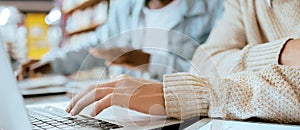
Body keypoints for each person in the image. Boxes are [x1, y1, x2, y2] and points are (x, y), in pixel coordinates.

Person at [66, 0, 300, 125]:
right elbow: (206, 61)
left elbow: (194, 68)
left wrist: (179, 91)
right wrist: (282, 54)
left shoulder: (208, 6)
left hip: (189, 106)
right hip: (141, 108)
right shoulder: (126, 7)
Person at [17, 0, 224, 81]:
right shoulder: (125, 6)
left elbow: (217, 69)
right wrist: (51, 62)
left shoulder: (214, 8)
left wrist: (146, 60)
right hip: (127, 113)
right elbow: (95, 46)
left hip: (186, 115)